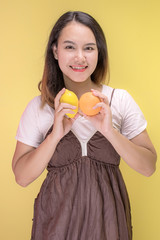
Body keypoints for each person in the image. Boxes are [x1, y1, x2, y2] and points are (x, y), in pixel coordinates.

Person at [12, 11, 157, 240]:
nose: (80, 57)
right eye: (70, 47)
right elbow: (21, 177)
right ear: (55, 51)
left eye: (89, 48)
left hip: (109, 228)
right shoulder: (39, 107)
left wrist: (109, 131)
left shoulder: (118, 101)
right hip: (55, 229)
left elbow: (148, 166)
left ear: (99, 52)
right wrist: (55, 136)